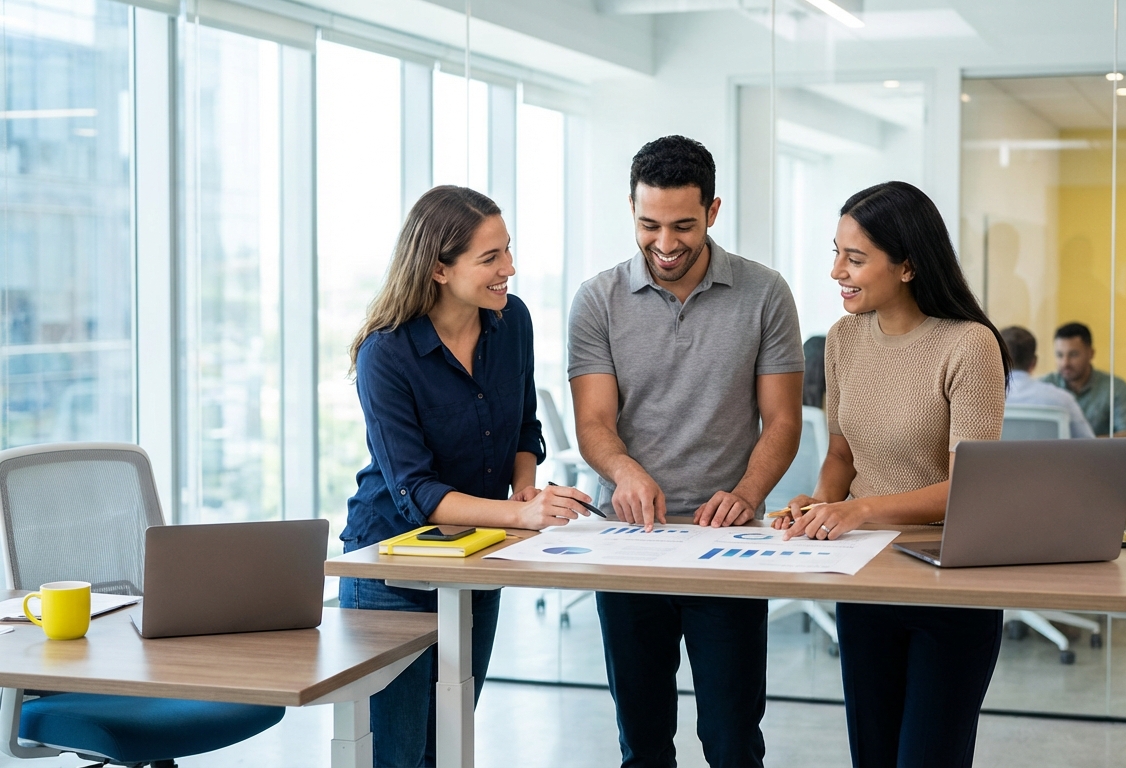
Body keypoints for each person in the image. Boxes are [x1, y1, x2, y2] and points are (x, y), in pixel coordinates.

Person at [568, 136, 804, 768]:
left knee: (731, 740)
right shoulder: (598, 299)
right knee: (642, 741)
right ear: (631, 210)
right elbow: (592, 422)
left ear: (713, 211)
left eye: (683, 226)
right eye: (649, 225)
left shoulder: (765, 293)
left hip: (726, 545)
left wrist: (749, 494)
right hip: (627, 543)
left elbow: (782, 421)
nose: (665, 244)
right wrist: (624, 471)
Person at [340, 186, 594, 768]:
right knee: (400, 757)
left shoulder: (513, 321)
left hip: (477, 559)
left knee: (448, 745)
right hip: (390, 574)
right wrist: (521, 515)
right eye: (490, 258)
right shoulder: (387, 354)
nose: (509, 269)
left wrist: (525, 485)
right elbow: (416, 494)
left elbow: (524, 426)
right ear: (437, 267)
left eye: (508, 251)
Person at [775, 181, 1010, 768]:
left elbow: (969, 491)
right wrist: (820, 504)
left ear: (907, 265)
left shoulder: (969, 345)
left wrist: (858, 510)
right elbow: (841, 456)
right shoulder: (842, 339)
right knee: (872, 758)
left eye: (854, 259)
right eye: (836, 253)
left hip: (948, 584)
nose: (836, 271)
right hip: (864, 577)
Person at [1042, 321, 1126, 437]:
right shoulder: (1044, 386)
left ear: (1091, 353)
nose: (1065, 363)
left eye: (1073, 355)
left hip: (1100, 455)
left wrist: (1081, 446)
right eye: (1059, 355)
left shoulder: (1115, 388)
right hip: (1053, 455)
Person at [1001, 325, 1094, 438]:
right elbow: (1088, 445)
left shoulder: (981, 400)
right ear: (1034, 362)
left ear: (997, 360)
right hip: (1048, 456)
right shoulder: (1063, 401)